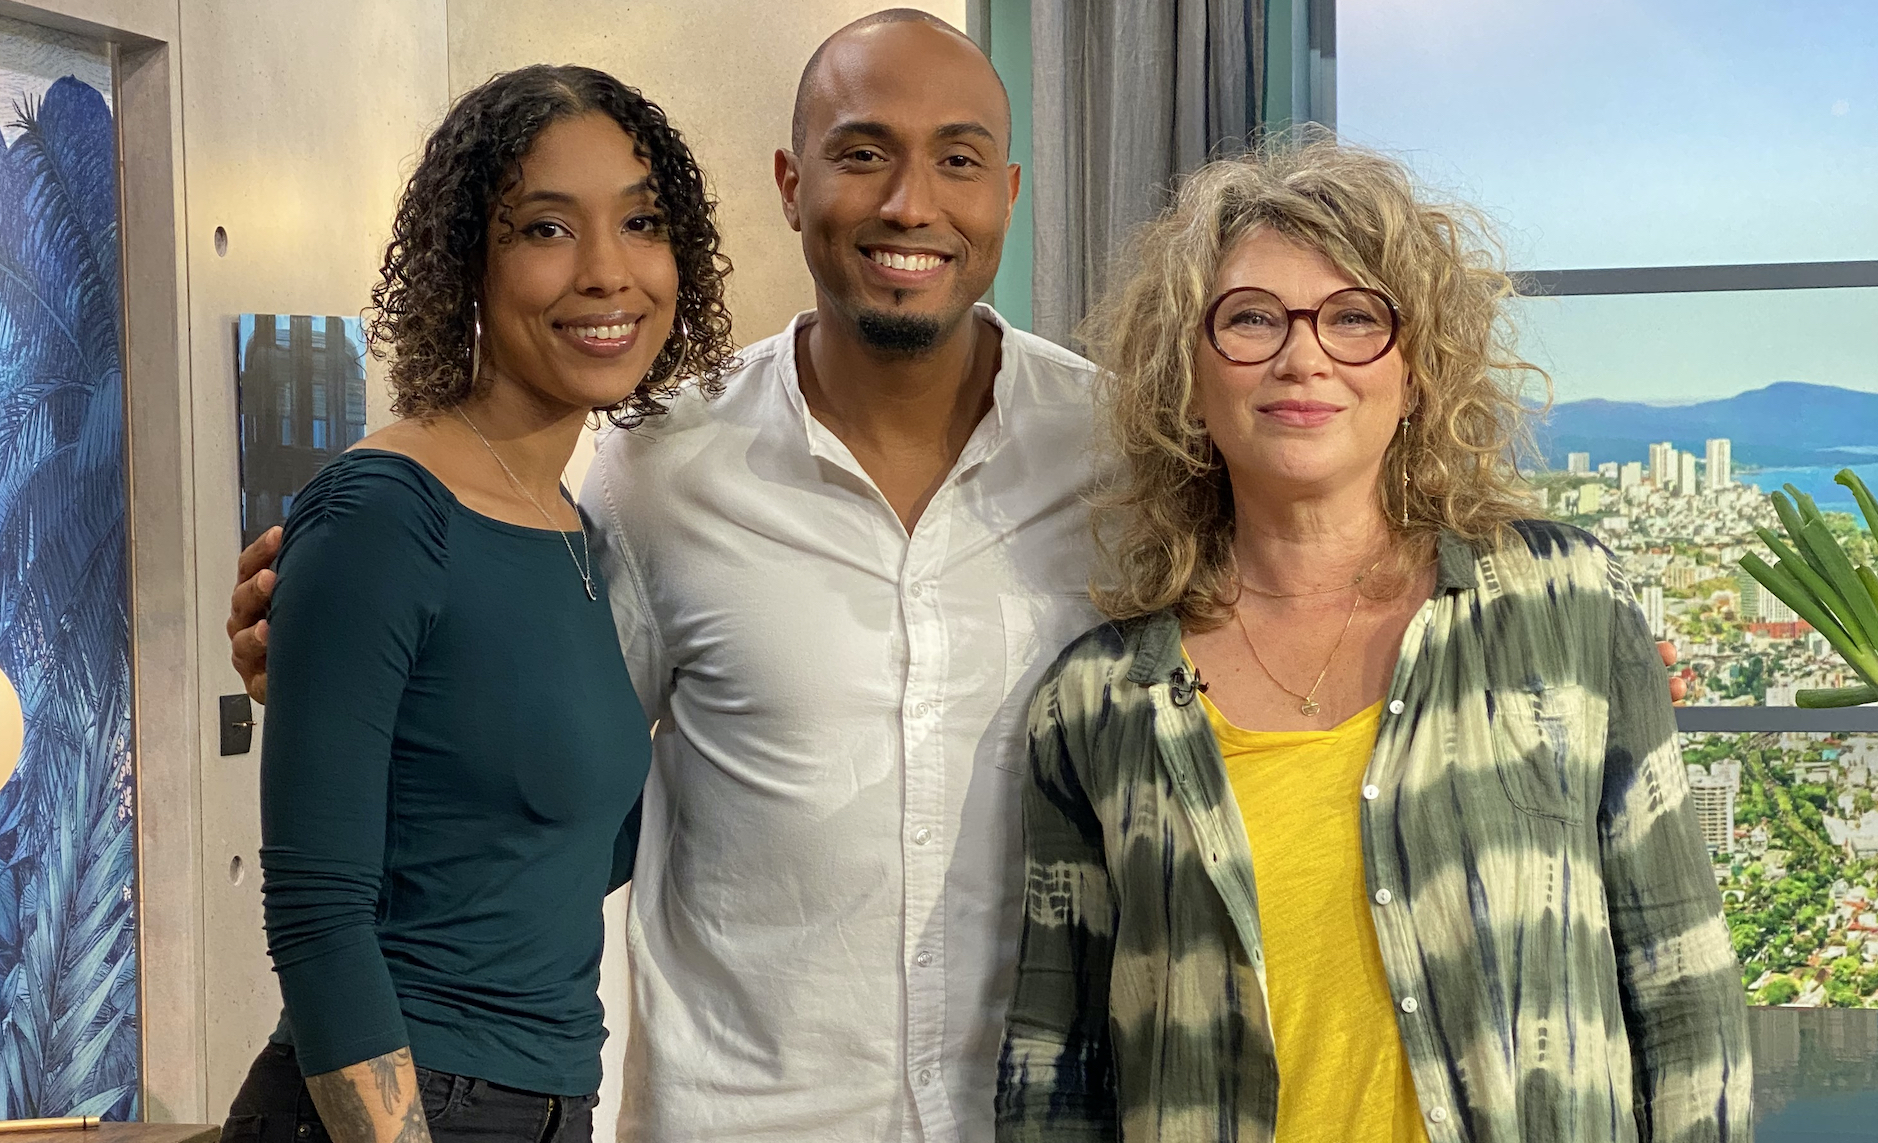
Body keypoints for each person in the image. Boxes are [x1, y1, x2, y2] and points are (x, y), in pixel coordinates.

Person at [224, 13, 1690, 1142]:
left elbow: (1326, 574)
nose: (910, 201)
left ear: (1008, 192)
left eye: (959, 159)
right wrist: (354, 668)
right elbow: (552, 766)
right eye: (863, 152)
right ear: (793, 183)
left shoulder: (1124, 455)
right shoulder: (650, 469)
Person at [995, 140, 1751, 1143]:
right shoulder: (1096, 705)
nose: (1303, 356)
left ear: (1417, 371)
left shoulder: (1564, 606)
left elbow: (1685, 990)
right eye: (1251, 318)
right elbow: (1056, 1075)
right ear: (1188, 378)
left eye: (1354, 317)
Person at [222, 65, 733, 1143]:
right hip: (395, 1104)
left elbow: (551, 851)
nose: (607, 271)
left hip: (548, 1103)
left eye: (641, 222)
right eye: (547, 229)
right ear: (467, 263)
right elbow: (318, 919)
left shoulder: (576, 531)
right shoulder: (383, 510)